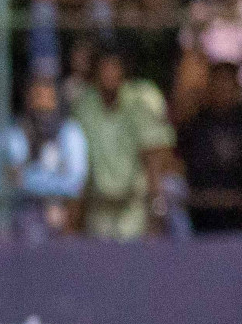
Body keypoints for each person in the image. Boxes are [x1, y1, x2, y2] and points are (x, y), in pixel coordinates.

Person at [70, 42, 183, 240]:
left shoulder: (141, 100)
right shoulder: (84, 106)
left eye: (114, 67)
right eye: (104, 67)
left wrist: (155, 209)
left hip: (134, 209)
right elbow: (78, 164)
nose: (109, 73)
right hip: (99, 212)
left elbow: (155, 155)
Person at [0, 76, 89, 244]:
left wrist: (24, 179)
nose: (42, 104)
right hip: (9, 225)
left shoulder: (69, 132)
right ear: (26, 97)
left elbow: (74, 184)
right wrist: (50, 179)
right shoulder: (3, 131)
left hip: (56, 225)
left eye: (48, 97)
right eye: (37, 96)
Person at [177, 61, 242, 232]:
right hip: (199, 215)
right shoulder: (195, 123)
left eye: (227, 82)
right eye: (218, 81)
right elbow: (178, 161)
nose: (223, 88)